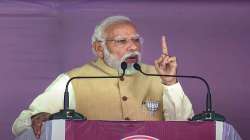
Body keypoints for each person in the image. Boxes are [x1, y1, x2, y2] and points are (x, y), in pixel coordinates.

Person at [12, 15, 194, 138]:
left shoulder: (158, 75)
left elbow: (187, 128)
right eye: (122, 41)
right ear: (99, 49)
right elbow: (21, 124)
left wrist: (170, 82)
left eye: (136, 40)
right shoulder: (73, 80)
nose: (133, 48)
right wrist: (39, 117)